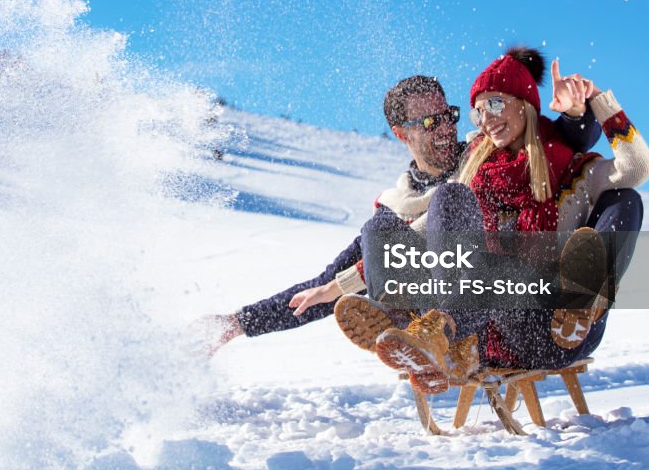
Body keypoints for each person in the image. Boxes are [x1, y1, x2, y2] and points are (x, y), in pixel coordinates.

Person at [194, 72, 607, 357]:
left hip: (517, 312)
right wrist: (238, 323)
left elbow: (558, 147)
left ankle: (426, 326)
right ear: (401, 133)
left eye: (447, 116)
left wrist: (577, 113)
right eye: (429, 122)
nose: (444, 129)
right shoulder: (398, 204)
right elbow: (324, 287)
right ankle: (409, 324)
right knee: (381, 236)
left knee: (450, 209)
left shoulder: (490, 154)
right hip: (448, 331)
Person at [361, 47, 649, 392]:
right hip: (482, 333)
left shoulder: (571, 172)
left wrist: (599, 102)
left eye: (496, 104)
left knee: (625, 199)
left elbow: (638, 167)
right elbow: (427, 230)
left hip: (552, 330)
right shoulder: (476, 173)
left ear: (525, 103)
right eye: (478, 112)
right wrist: (347, 282)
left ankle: (582, 300)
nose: (486, 119)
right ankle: (422, 329)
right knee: (394, 224)